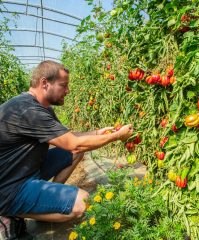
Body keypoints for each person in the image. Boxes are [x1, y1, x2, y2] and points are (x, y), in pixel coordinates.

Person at [0, 60, 133, 239]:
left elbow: (66, 137)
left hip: (26, 171)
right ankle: (12, 213)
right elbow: (74, 143)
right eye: (64, 85)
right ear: (44, 83)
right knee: (83, 203)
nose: (68, 90)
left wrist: (95, 132)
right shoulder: (29, 111)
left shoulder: (41, 107)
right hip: (10, 189)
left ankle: (46, 202)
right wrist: (116, 136)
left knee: (76, 152)